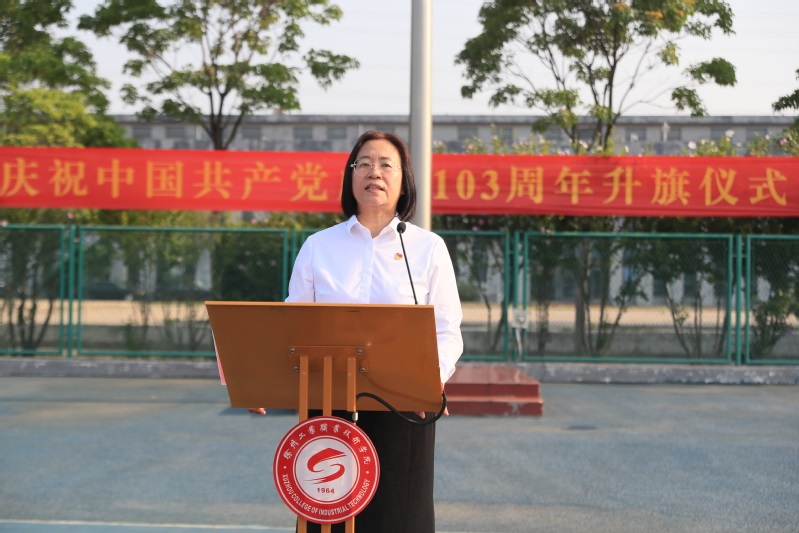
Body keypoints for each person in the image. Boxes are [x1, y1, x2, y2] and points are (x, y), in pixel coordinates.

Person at [254, 130, 463, 533]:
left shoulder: (427, 248)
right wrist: (263, 379)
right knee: (327, 519)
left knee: (400, 519)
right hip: (328, 406)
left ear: (404, 181)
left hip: (404, 406)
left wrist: (430, 379)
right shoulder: (319, 246)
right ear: (350, 177)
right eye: (363, 163)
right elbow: (293, 325)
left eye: (386, 165)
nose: (374, 172)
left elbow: (447, 329)